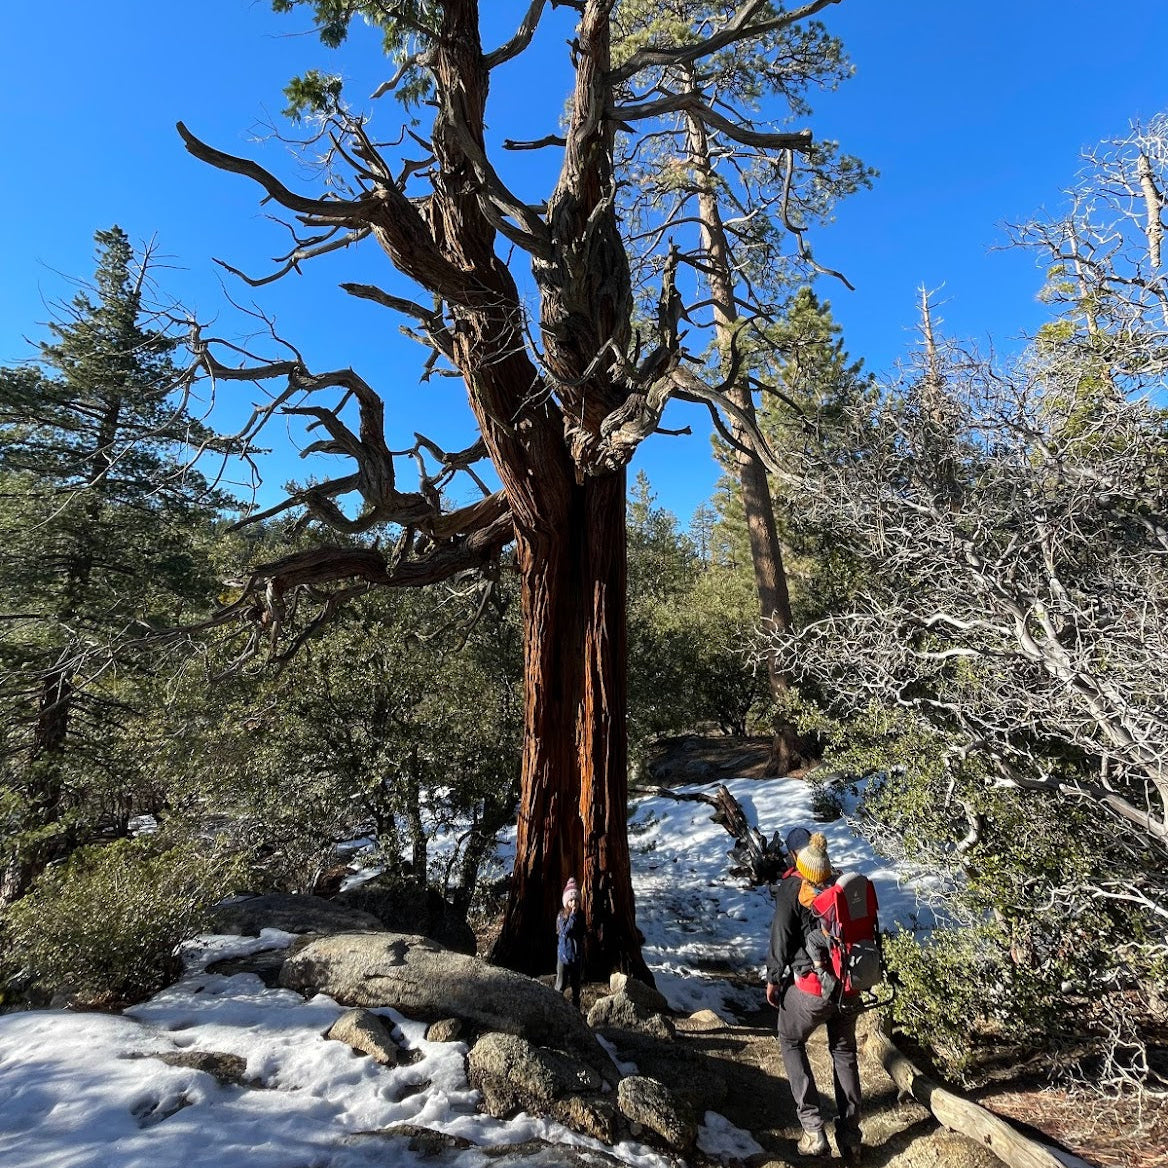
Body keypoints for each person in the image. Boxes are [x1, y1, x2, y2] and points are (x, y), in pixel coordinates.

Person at [765, 831, 863, 1164]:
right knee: (844, 1050)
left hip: (813, 990)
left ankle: (812, 1130)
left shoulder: (793, 888)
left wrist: (773, 979)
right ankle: (851, 1139)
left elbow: (781, 936)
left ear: (796, 857)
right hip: (849, 985)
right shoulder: (840, 885)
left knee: (790, 1039)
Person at [555, 876, 584, 1009]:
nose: (574, 903)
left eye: (576, 900)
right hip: (563, 956)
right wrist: (572, 917)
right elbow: (565, 932)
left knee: (576, 986)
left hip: (576, 956)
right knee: (560, 984)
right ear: (566, 901)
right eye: (571, 900)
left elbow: (581, 932)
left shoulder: (581, 916)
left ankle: (576, 1010)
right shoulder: (562, 915)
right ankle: (556, 1007)